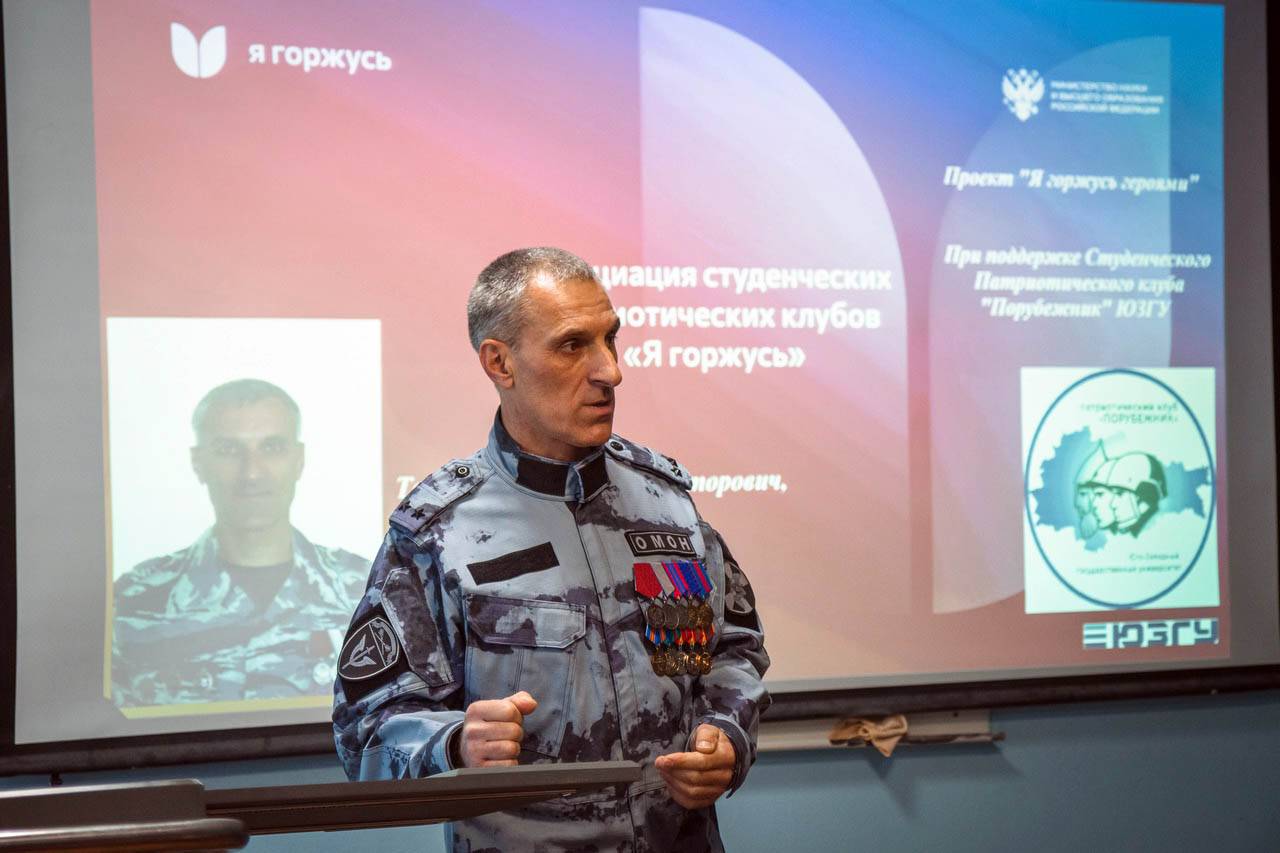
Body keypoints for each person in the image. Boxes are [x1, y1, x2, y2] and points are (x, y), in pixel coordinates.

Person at [332, 248, 769, 851]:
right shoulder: (439, 533)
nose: (610, 371)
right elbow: (366, 728)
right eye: (572, 346)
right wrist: (455, 745)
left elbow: (732, 649)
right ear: (500, 363)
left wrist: (725, 734)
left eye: (610, 338)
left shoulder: (664, 503)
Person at [111, 378, 368, 707]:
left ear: (299, 460)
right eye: (229, 450)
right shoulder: (134, 602)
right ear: (198, 463)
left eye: (272, 448)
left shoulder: (365, 590)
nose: (252, 473)